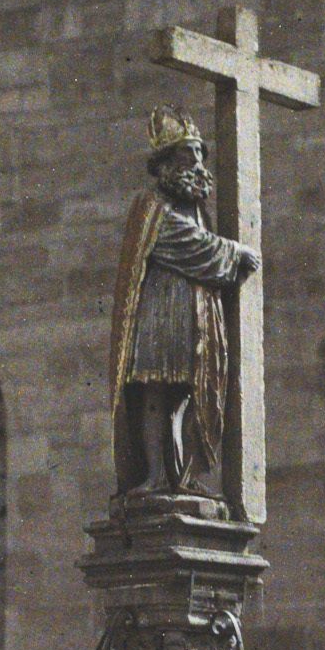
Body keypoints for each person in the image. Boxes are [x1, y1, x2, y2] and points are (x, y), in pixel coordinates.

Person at [109, 106, 259, 495]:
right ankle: (157, 475)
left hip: (195, 312)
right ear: (163, 163)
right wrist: (234, 253)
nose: (196, 160)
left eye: (198, 153)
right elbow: (184, 244)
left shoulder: (196, 209)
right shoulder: (152, 206)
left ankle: (182, 476)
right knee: (157, 390)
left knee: (186, 395)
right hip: (161, 311)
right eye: (186, 153)